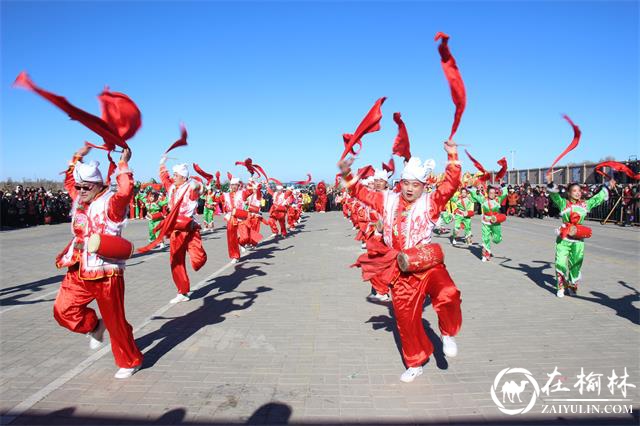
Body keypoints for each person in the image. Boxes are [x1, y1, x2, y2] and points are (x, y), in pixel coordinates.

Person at [341, 141, 462, 383]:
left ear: (423, 187)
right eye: (406, 183)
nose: (409, 189)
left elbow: (450, 185)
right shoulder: (387, 200)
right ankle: (415, 363)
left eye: (415, 185)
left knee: (448, 292)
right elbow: (359, 192)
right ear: (400, 183)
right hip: (401, 269)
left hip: (428, 265)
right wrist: (346, 172)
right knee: (406, 320)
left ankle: (447, 333)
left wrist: (452, 155)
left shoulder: (430, 203)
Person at [53, 145, 143, 379]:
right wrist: (78, 156)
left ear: (98, 186)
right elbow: (70, 181)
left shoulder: (111, 203)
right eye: (79, 186)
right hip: (78, 267)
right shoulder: (80, 198)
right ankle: (94, 326)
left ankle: (130, 360)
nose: (80, 190)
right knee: (63, 311)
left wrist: (123, 163)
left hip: (106, 272)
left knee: (116, 322)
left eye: (85, 187)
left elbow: (125, 191)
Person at [546, 174, 614, 297]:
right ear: (569, 193)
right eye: (574, 191)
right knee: (560, 262)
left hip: (578, 240)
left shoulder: (584, 205)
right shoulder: (563, 203)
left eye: (579, 191)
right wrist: (550, 182)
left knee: (575, 265)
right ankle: (560, 287)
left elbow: (597, 198)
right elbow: (554, 195)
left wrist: (608, 186)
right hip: (563, 239)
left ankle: (572, 286)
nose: (578, 193)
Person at [159, 158, 208, 303]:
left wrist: (199, 184)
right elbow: (164, 179)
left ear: (184, 177)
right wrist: (162, 164)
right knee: (176, 260)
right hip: (176, 230)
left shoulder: (190, 188)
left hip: (190, 227)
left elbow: (201, 189)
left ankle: (201, 259)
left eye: (176, 175)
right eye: (173, 175)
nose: (173, 177)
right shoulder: (173, 188)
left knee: (198, 259)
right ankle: (182, 291)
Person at [469, 183, 508, 262]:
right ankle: (485, 254)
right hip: (486, 221)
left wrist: (503, 187)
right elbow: (475, 196)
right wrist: (471, 189)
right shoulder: (483, 199)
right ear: (488, 193)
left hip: (495, 221)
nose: (492, 194)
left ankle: (495, 240)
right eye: (490, 193)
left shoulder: (498, 199)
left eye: (494, 193)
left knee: (497, 239)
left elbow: (504, 193)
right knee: (485, 238)